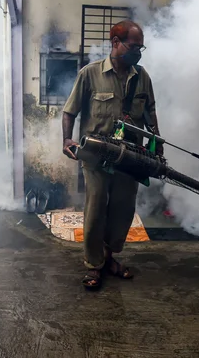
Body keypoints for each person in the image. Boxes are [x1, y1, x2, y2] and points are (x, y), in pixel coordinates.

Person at [61, 20, 162, 290]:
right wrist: (67, 140)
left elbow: (151, 114)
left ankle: (109, 258)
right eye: (133, 46)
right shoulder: (90, 74)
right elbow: (69, 111)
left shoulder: (143, 77)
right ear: (115, 43)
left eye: (141, 47)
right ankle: (94, 265)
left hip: (130, 158)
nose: (138, 52)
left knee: (123, 209)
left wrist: (157, 146)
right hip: (96, 156)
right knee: (96, 209)